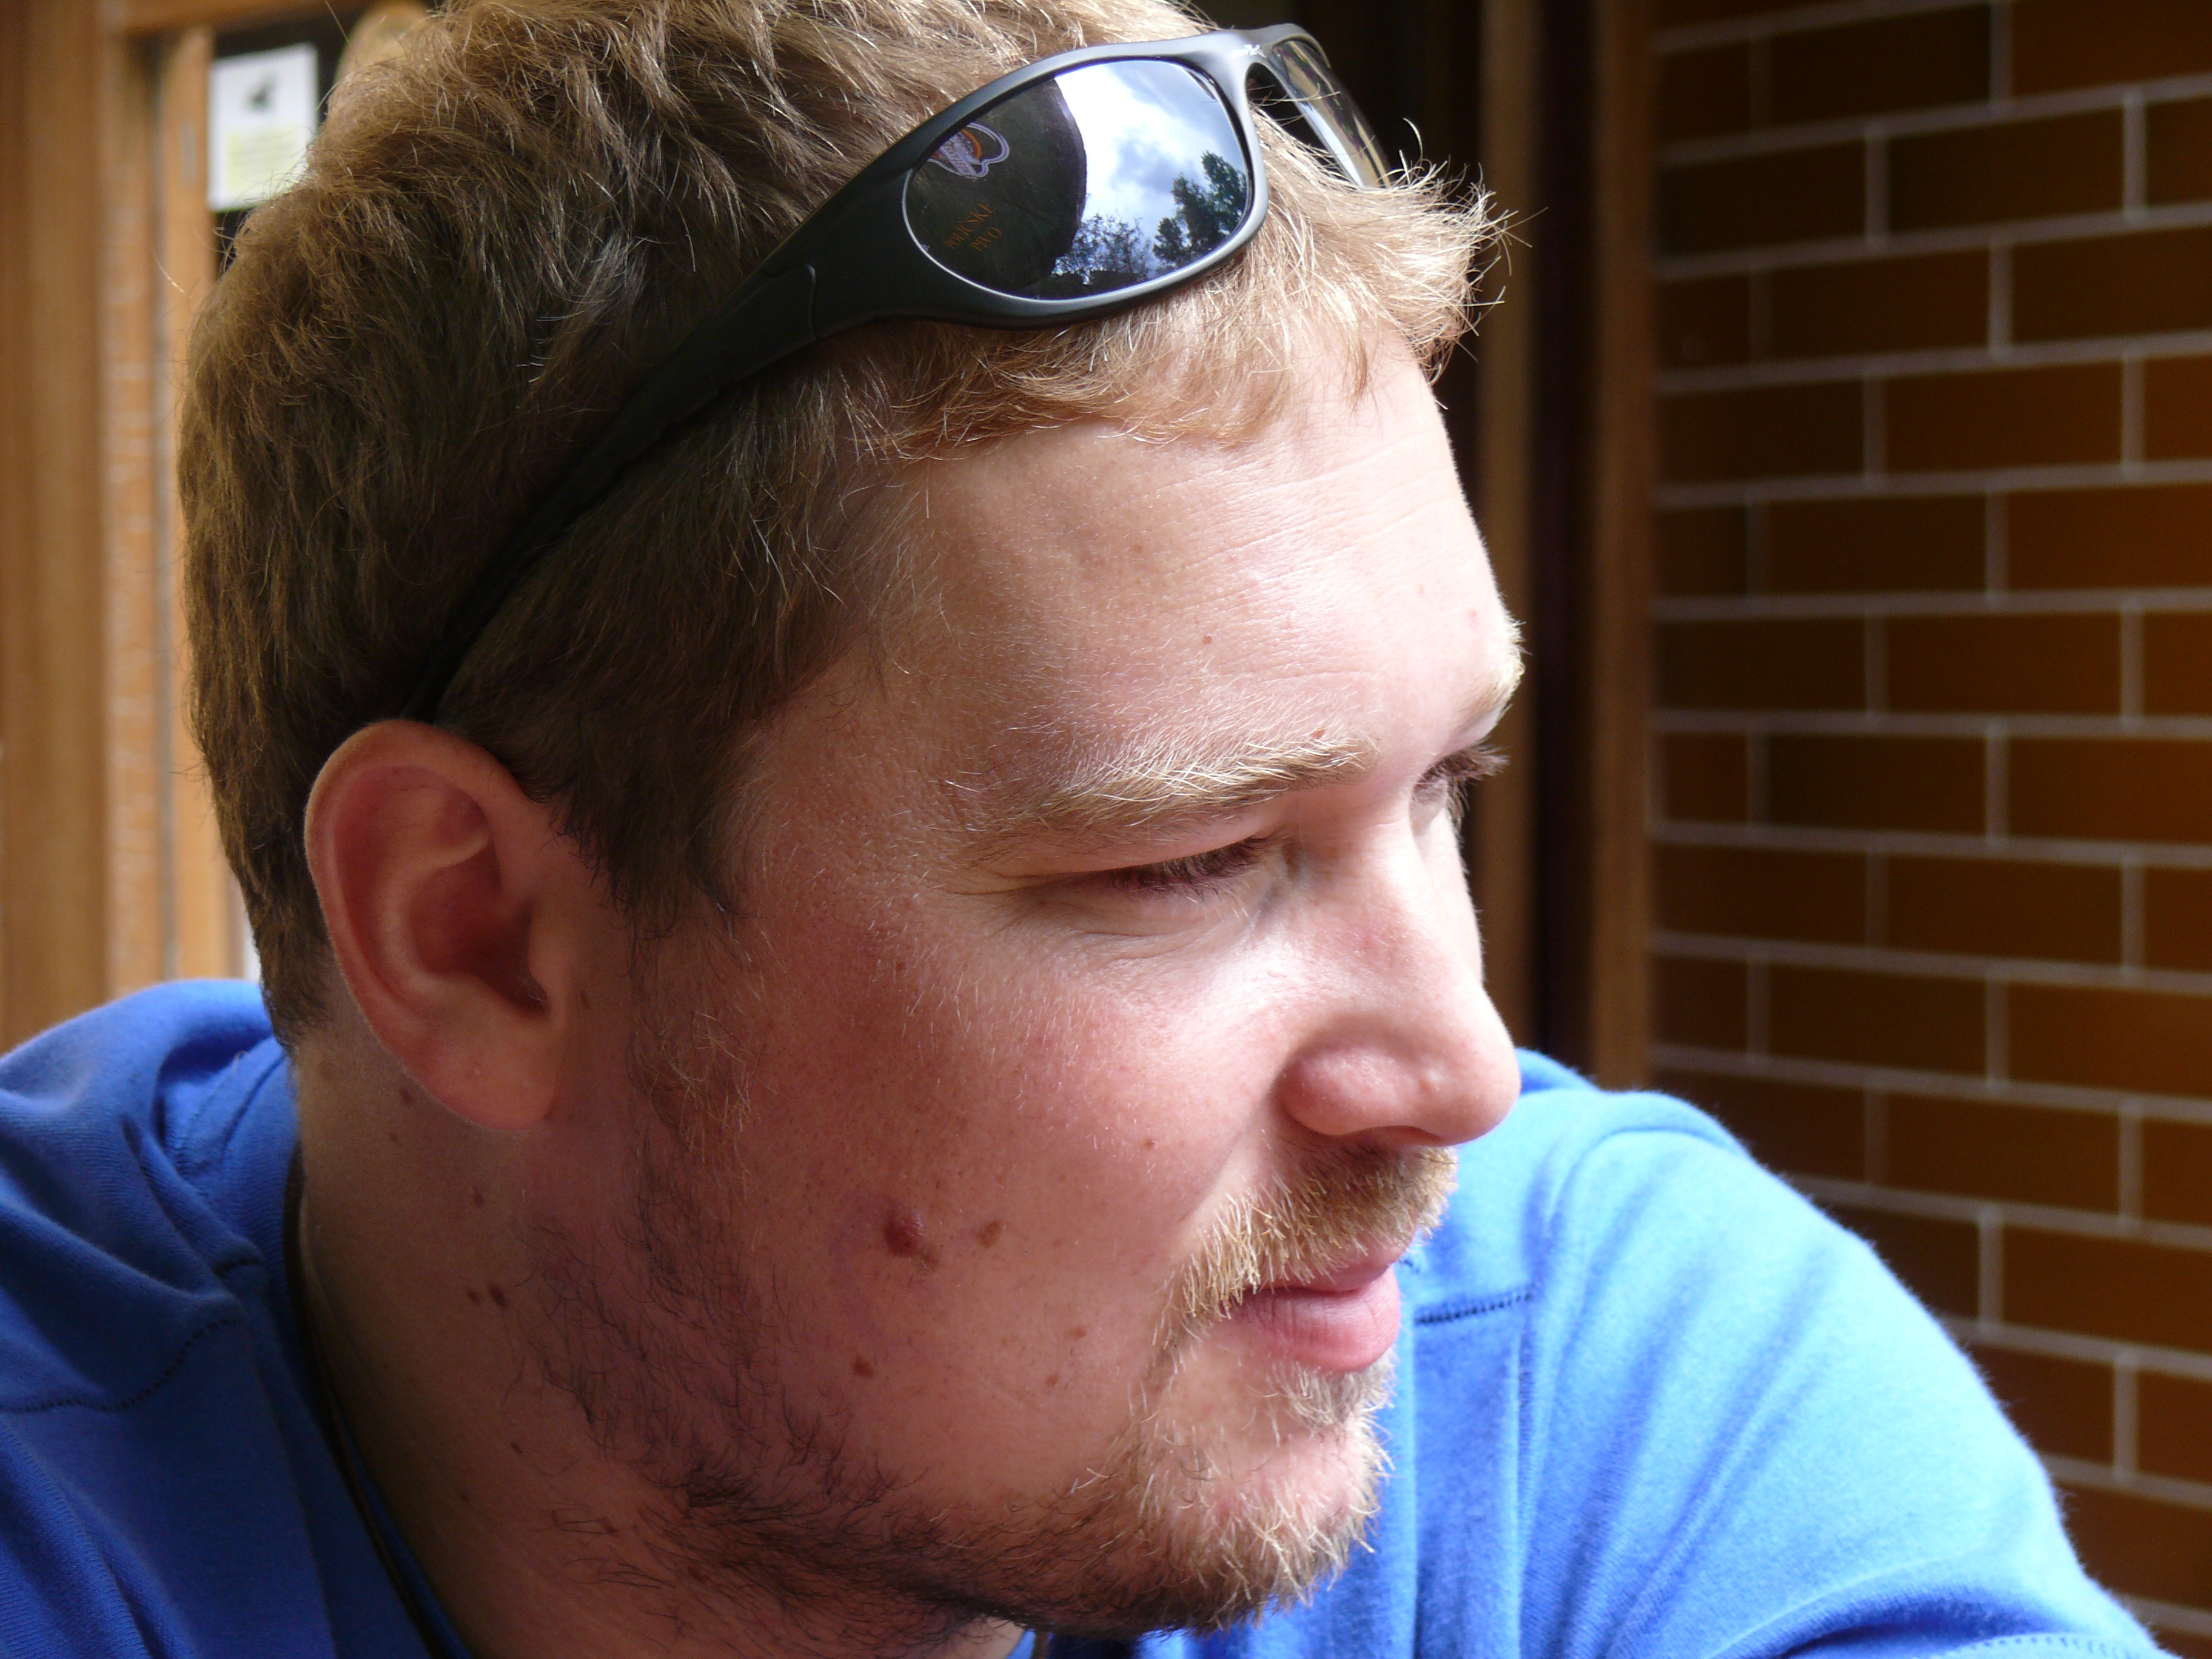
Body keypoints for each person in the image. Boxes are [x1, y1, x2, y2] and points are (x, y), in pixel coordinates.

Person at [0, 1, 2165, 1654]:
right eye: (1188, 864)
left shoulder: (1615, 1392)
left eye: (1443, 791)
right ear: (477, 936)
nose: (1463, 1075)